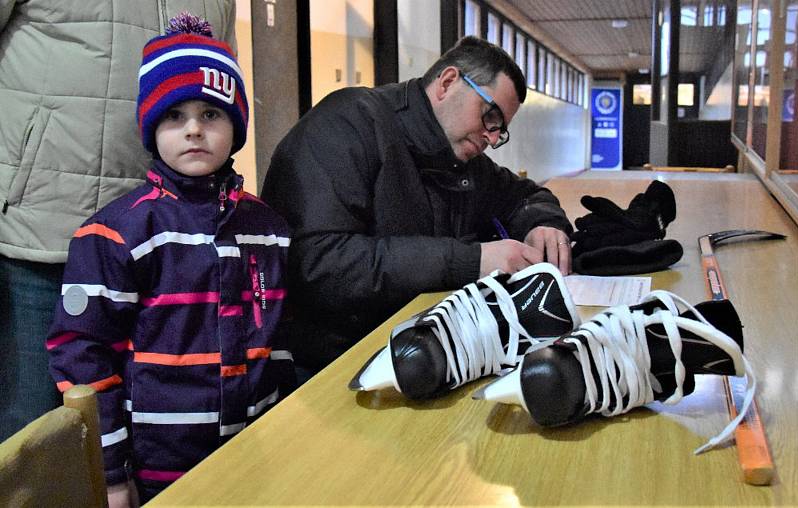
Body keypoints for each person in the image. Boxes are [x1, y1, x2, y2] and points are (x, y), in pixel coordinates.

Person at [46, 14, 294, 505]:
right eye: (174, 116)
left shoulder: (269, 229)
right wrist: (112, 473)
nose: (194, 131)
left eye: (211, 115)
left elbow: (279, 337)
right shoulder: (115, 233)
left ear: (236, 126)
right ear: (151, 127)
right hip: (158, 468)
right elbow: (82, 354)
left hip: (258, 454)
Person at [263, 36, 573, 380]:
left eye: (500, 130)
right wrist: (471, 260)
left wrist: (542, 224)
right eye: (491, 116)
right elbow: (319, 263)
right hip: (336, 366)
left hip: (429, 354)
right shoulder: (346, 125)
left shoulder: (460, 161)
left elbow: (523, 196)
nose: (492, 137)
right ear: (448, 82)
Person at [0, 0, 239, 441]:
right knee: (33, 434)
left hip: (161, 241)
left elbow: (220, 83)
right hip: (40, 230)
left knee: (149, 422)